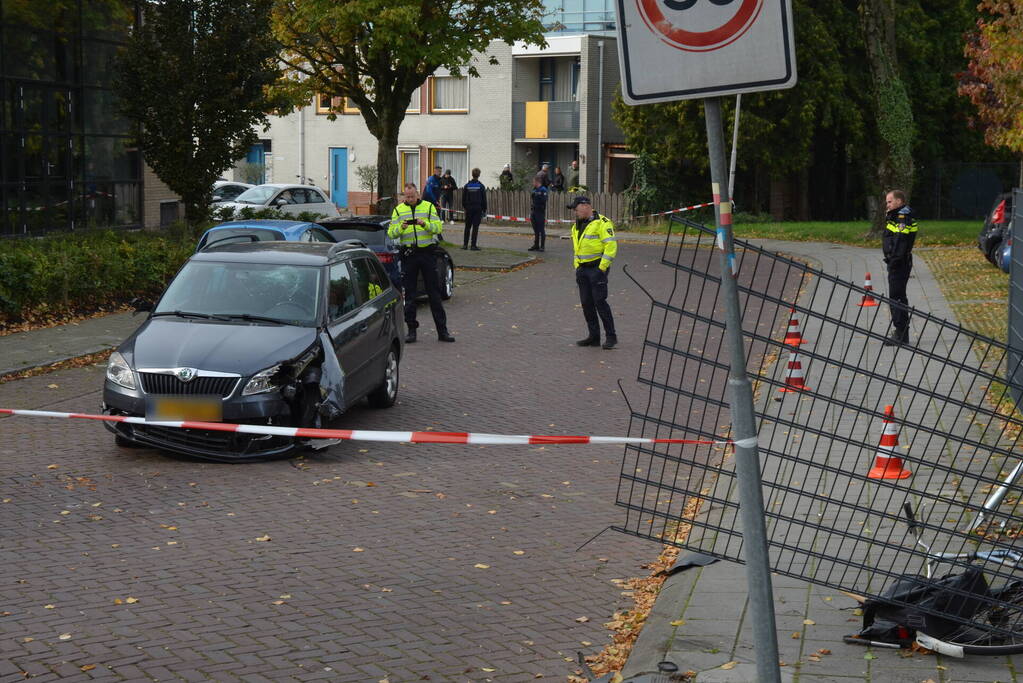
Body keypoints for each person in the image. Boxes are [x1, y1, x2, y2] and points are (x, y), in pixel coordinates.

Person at [388, 183, 454, 343]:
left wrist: (425, 224)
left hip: (426, 254)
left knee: (434, 293)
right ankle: (411, 330)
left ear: (417, 194)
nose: (409, 199)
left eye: (412, 196)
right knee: (409, 295)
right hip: (409, 255)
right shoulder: (398, 210)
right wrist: (401, 228)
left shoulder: (428, 207)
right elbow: (391, 232)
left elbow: (438, 228)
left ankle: (442, 331)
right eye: (406, 196)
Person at [568, 196, 617, 349]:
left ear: (585, 206)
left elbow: (611, 246)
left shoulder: (603, 222)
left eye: (576, 209)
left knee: (600, 302)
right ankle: (593, 337)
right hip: (583, 270)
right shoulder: (577, 225)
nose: (575, 213)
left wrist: (602, 268)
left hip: (597, 269)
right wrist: (577, 265)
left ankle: (611, 337)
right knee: (587, 304)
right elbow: (577, 248)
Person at [882, 189, 917, 346]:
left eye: (890, 201)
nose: (887, 204)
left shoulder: (903, 217)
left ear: (899, 201)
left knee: (896, 298)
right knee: (898, 297)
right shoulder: (896, 215)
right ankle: (901, 332)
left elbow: (901, 242)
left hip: (899, 262)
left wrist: (894, 261)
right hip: (898, 261)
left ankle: (901, 334)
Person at [462, 167, 487, 251]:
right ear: (479, 175)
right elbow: (484, 199)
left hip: (469, 209)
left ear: (472, 175)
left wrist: (465, 207)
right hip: (477, 209)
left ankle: (465, 245)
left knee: (467, 227)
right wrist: (484, 210)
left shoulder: (467, 185)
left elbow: (463, 199)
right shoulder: (481, 186)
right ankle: (473, 246)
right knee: (475, 227)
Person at [528, 176, 548, 252]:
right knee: (535, 229)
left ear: (537, 182)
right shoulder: (534, 189)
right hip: (534, 211)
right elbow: (533, 198)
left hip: (540, 212)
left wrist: (538, 196)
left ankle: (542, 246)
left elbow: (544, 200)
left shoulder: (543, 189)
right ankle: (536, 245)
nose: (533, 183)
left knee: (541, 230)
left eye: (534, 182)